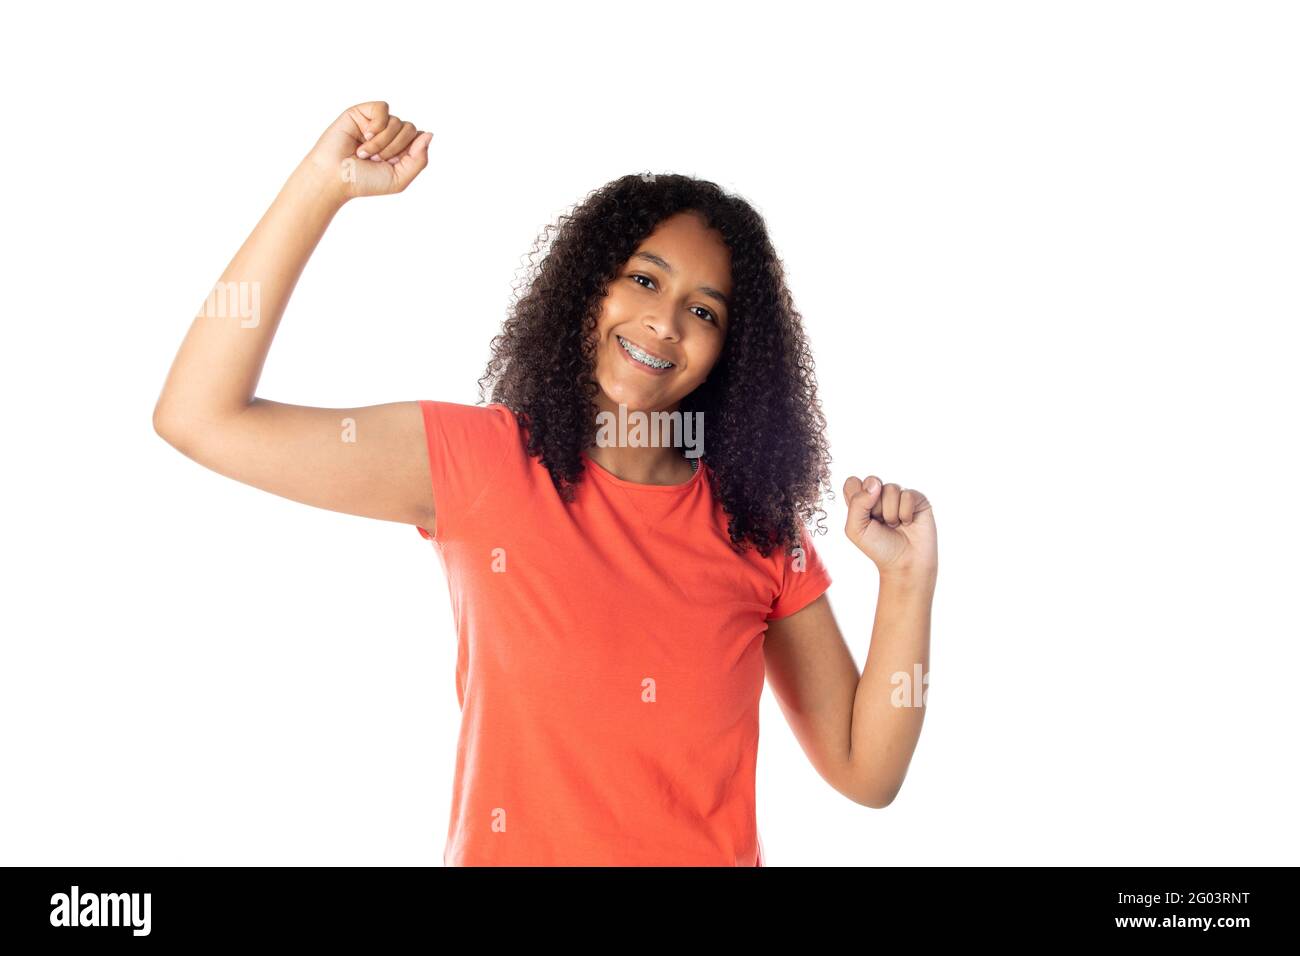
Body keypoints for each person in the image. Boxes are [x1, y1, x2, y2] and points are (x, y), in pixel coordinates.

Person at [153, 100, 939, 867]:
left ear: (731, 353)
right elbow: (199, 416)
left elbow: (866, 773)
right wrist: (321, 187)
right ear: (588, 288)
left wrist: (907, 583)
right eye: (644, 279)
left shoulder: (756, 527)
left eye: (704, 312)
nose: (666, 322)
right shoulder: (479, 462)